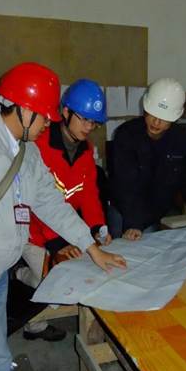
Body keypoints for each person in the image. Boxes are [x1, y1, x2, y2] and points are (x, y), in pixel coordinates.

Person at [0, 62, 126, 371]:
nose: (49, 123)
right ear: (22, 109)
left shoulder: (26, 150)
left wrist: (92, 248)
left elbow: (51, 204)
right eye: (44, 116)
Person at [19, 79, 112, 341]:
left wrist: (97, 226)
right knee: (54, 284)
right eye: (84, 119)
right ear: (66, 111)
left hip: (66, 227)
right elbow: (36, 202)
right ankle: (23, 282)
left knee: (84, 272)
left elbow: (89, 194)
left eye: (94, 123)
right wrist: (57, 245)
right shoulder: (38, 144)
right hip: (34, 231)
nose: (89, 127)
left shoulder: (87, 150)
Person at [109, 78, 186, 240]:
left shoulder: (180, 139)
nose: (156, 122)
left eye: (164, 118)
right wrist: (133, 224)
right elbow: (126, 185)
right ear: (145, 109)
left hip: (156, 211)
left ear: (175, 118)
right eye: (153, 114)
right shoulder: (126, 135)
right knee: (123, 251)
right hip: (125, 212)